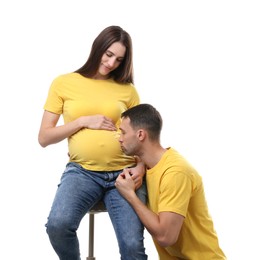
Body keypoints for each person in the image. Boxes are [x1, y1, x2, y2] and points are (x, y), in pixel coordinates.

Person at [38, 26, 148, 260]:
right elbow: (44, 137)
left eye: (119, 59)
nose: (111, 63)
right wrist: (83, 121)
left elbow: (141, 138)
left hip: (123, 174)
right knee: (57, 226)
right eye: (108, 54)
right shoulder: (64, 83)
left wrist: (140, 167)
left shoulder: (128, 90)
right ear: (97, 47)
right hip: (82, 172)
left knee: (132, 246)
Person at [115, 104, 226, 260]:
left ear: (140, 135)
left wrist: (130, 195)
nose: (119, 138)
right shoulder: (149, 165)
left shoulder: (175, 172)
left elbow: (166, 237)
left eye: (123, 132)